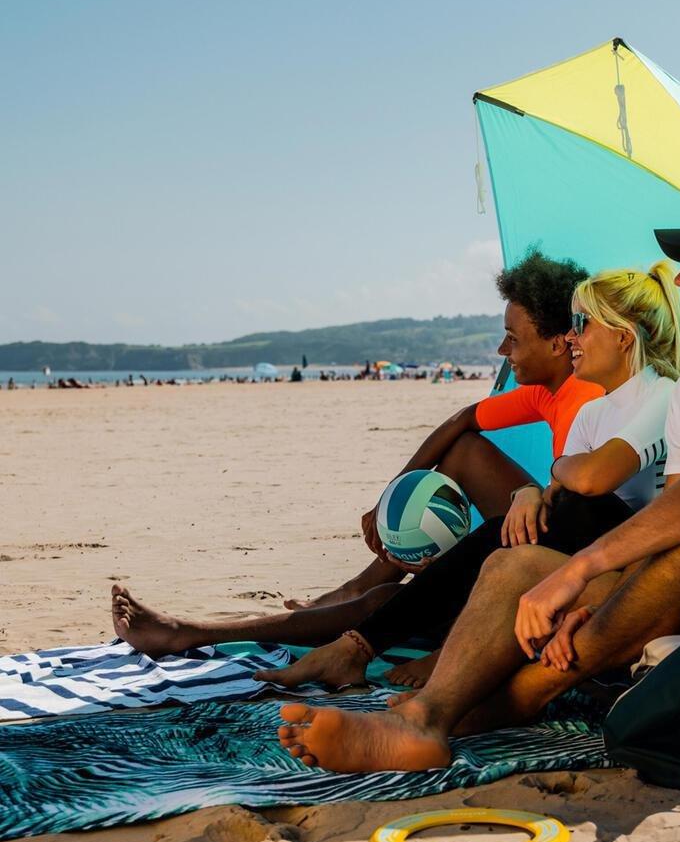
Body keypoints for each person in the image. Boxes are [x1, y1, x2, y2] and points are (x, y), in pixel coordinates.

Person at [274, 196, 680, 773]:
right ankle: (429, 720)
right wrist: (604, 601)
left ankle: (505, 704)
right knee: (516, 566)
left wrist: (582, 571)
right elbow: (672, 516)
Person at [110, 248, 600, 656]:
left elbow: (578, 521)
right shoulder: (550, 389)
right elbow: (462, 422)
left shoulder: (585, 402)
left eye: (513, 339)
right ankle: (359, 583)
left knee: (388, 603)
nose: (500, 351)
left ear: (560, 344)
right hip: (552, 532)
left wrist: (461, 563)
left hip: (563, 567)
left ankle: (192, 633)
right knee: (461, 452)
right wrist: (391, 498)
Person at [250, 260, 680, 691]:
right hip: (589, 549)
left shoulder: (664, 394)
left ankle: (365, 646)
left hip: (636, 565)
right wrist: (529, 495)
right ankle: (357, 647)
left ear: (623, 336)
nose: (572, 336)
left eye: (582, 323)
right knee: (523, 525)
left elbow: (592, 478)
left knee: (578, 506)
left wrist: (553, 478)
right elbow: (559, 490)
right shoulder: (595, 412)